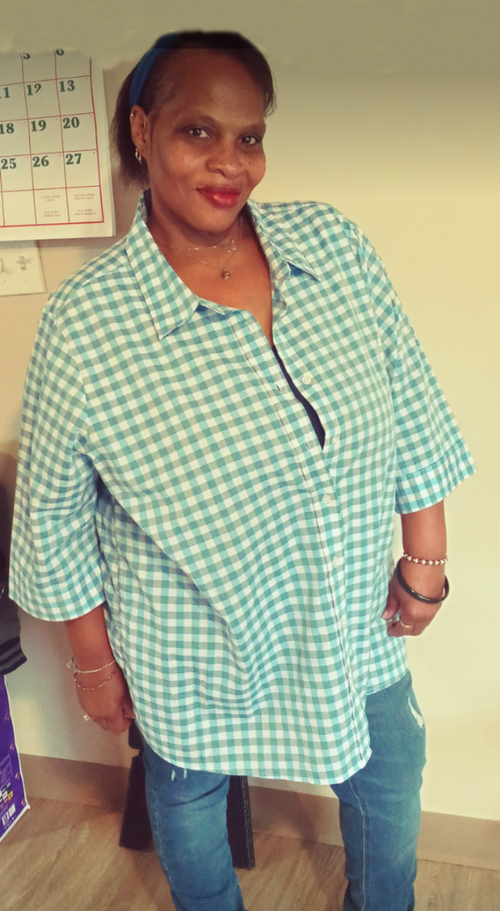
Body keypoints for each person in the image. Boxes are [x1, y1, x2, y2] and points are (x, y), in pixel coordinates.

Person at [10, 30, 475, 911]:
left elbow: (407, 395)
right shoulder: (89, 324)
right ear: (143, 132)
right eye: (198, 132)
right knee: (188, 792)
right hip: (190, 635)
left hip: (350, 611)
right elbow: (56, 518)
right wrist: (94, 666)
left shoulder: (330, 248)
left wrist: (426, 558)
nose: (231, 163)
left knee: (388, 777)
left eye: (250, 136)